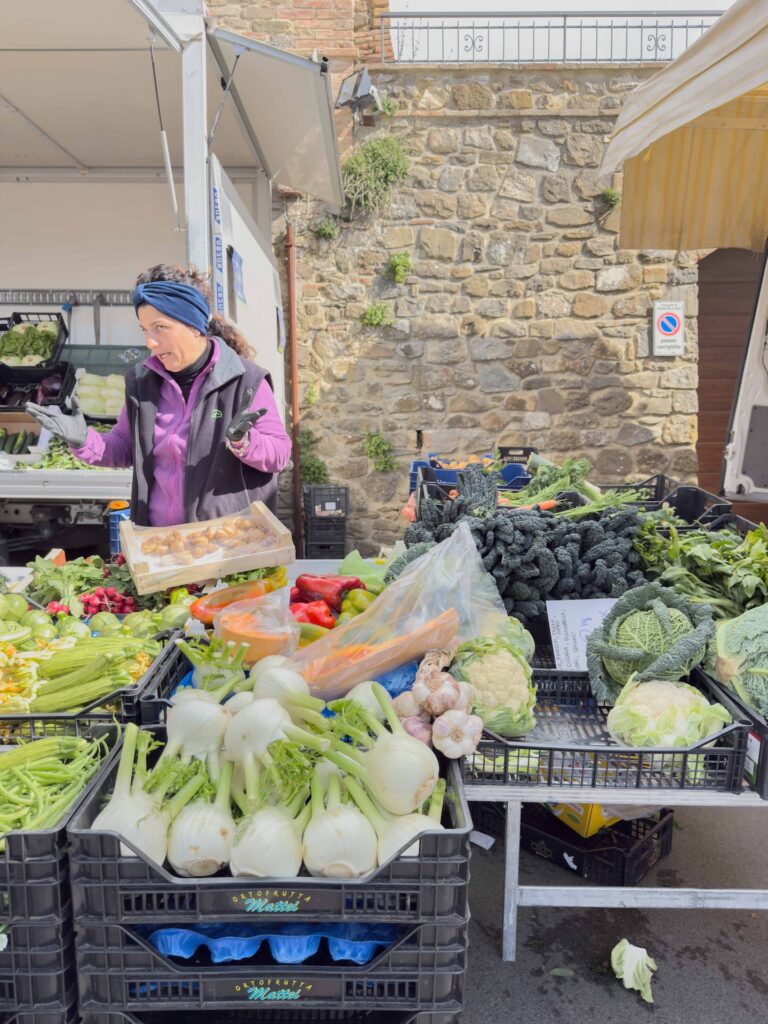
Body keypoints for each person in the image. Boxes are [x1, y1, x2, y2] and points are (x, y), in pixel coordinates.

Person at [26, 265, 292, 525]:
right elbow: (124, 447)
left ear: (194, 325)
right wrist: (83, 439)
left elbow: (279, 455)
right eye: (144, 330)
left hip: (226, 545)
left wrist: (244, 442)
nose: (149, 342)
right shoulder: (141, 383)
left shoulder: (246, 380)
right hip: (160, 546)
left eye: (160, 327)